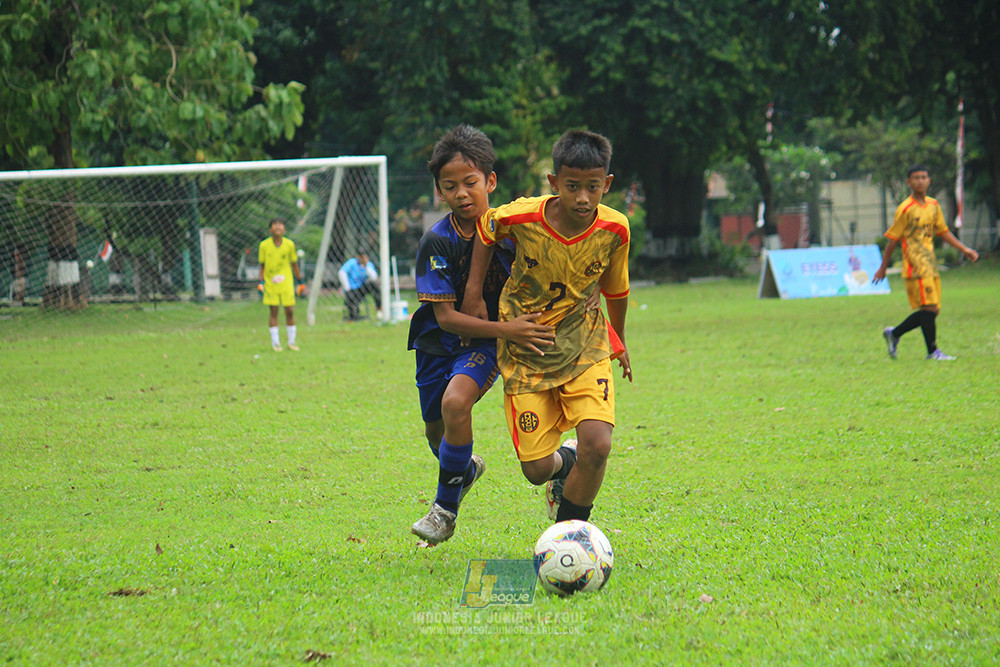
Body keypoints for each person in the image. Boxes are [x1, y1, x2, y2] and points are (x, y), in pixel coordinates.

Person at [463, 129, 633, 526]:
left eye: (593, 187)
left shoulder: (616, 229)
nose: (583, 198)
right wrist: (473, 294)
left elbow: (616, 288)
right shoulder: (524, 216)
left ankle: (571, 536)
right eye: (572, 186)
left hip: (585, 343)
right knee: (537, 470)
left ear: (606, 184)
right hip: (527, 353)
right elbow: (487, 227)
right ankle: (565, 462)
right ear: (554, 183)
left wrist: (620, 342)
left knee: (599, 443)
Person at [408, 124, 557, 544]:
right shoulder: (437, 241)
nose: (461, 194)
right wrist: (507, 327)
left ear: (490, 181)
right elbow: (447, 319)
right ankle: (465, 470)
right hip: (439, 344)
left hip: (487, 344)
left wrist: (510, 331)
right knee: (436, 434)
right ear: (439, 192)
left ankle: (444, 512)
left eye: (470, 183)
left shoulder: (515, 231)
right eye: (450, 186)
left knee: (457, 402)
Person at [873, 164, 979, 360]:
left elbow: (943, 231)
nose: (920, 181)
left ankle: (894, 333)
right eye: (916, 178)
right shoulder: (905, 209)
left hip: (931, 264)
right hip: (916, 266)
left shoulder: (933, 205)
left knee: (932, 310)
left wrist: (964, 249)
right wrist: (883, 267)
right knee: (929, 309)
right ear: (908, 182)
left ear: (929, 180)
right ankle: (933, 352)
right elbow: (893, 240)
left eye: (924, 177)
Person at [258, 218, 305, 352]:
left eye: (280, 225)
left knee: (289, 311)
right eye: (275, 225)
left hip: (286, 283)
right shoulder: (264, 245)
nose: (278, 227)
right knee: (273, 311)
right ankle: (276, 343)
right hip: (271, 282)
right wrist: (261, 282)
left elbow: (294, 264)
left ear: (284, 229)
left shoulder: (289, 245)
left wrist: (300, 281)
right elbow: (262, 265)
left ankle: (291, 342)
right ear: (270, 229)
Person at [339, 251, 381, 321]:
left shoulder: (369, 265)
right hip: (351, 289)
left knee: (374, 285)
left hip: (362, 288)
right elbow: (342, 273)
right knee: (351, 297)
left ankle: (379, 309)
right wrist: (347, 288)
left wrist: (366, 266)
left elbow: (374, 277)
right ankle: (354, 315)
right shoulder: (352, 263)